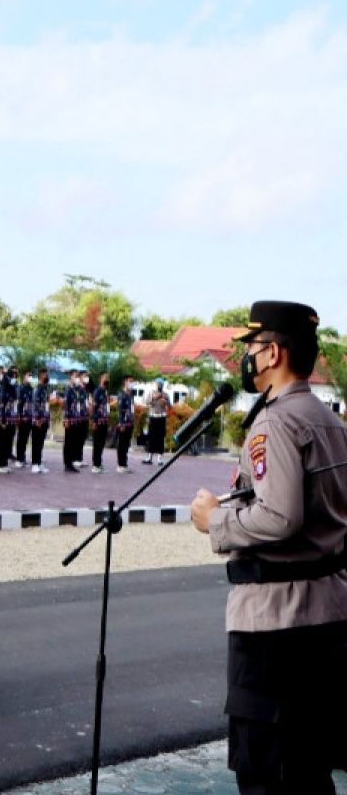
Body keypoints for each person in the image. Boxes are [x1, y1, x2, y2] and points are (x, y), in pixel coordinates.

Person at [189, 300, 347, 794]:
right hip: (330, 615)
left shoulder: (275, 423)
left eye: (253, 347)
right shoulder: (330, 422)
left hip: (276, 627)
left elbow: (280, 515)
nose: (248, 358)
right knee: (310, 769)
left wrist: (214, 519)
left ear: (273, 352)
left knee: (269, 774)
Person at [29, 368, 51, 474]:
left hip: (44, 419)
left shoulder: (45, 389)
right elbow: (35, 405)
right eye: (45, 375)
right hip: (38, 420)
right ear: (40, 376)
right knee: (36, 443)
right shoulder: (37, 389)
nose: (47, 376)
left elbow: (46, 405)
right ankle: (34, 464)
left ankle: (39, 462)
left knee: (41, 443)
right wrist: (37, 419)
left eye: (47, 374)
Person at [90, 372, 110, 474]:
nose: (107, 379)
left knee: (102, 443)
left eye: (108, 377)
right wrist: (93, 420)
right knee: (97, 443)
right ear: (101, 379)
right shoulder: (97, 391)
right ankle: (95, 465)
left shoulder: (105, 392)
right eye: (105, 377)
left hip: (104, 421)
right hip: (98, 421)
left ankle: (99, 463)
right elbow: (93, 407)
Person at [14, 370, 34, 468]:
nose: (30, 377)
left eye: (31, 375)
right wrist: (18, 415)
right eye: (28, 375)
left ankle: (23, 457)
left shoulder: (31, 388)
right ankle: (19, 458)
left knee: (25, 439)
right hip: (22, 417)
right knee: (21, 438)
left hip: (30, 417)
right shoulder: (21, 388)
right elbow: (19, 403)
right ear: (24, 376)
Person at [115, 376, 135, 474]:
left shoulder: (131, 394)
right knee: (122, 444)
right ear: (125, 382)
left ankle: (124, 464)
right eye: (130, 381)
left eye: (133, 381)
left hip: (130, 422)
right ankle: (120, 464)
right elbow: (119, 410)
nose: (132, 383)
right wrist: (121, 423)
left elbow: (132, 409)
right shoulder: (121, 395)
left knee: (126, 444)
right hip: (123, 423)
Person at [145, 379, 168, 465]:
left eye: (161, 384)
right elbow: (146, 402)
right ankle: (149, 457)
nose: (159, 385)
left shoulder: (165, 394)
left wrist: (165, 402)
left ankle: (159, 458)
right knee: (151, 437)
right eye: (158, 384)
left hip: (161, 418)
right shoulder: (151, 393)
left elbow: (169, 406)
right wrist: (154, 398)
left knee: (160, 438)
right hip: (153, 417)